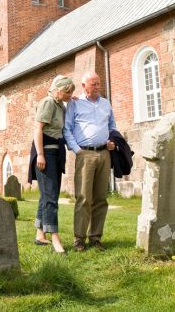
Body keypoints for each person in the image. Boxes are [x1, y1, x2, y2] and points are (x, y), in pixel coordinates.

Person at [63, 71, 117, 252]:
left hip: (104, 154)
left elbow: (112, 127)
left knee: (101, 198)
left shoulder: (105, 103)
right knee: (84, 197)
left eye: (98, 83)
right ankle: (79, 239)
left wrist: (112, 141)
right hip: (85, 154)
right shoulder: (75, 103)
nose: (97, 86)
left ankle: (96, 237)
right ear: (84, 85)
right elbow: (67, 129)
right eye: (93, 84)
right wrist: (76, 149)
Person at [27, 75, 75, 254]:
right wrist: (40, 154)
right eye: (68, 92)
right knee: (51, 198)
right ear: (59, 90)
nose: (70, 95)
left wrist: (72, 100)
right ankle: (54, 237)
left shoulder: (60, 105)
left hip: (56, 152)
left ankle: (40, 234)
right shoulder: (48, 102)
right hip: (45, 152)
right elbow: (37, 128)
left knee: (48, 194)